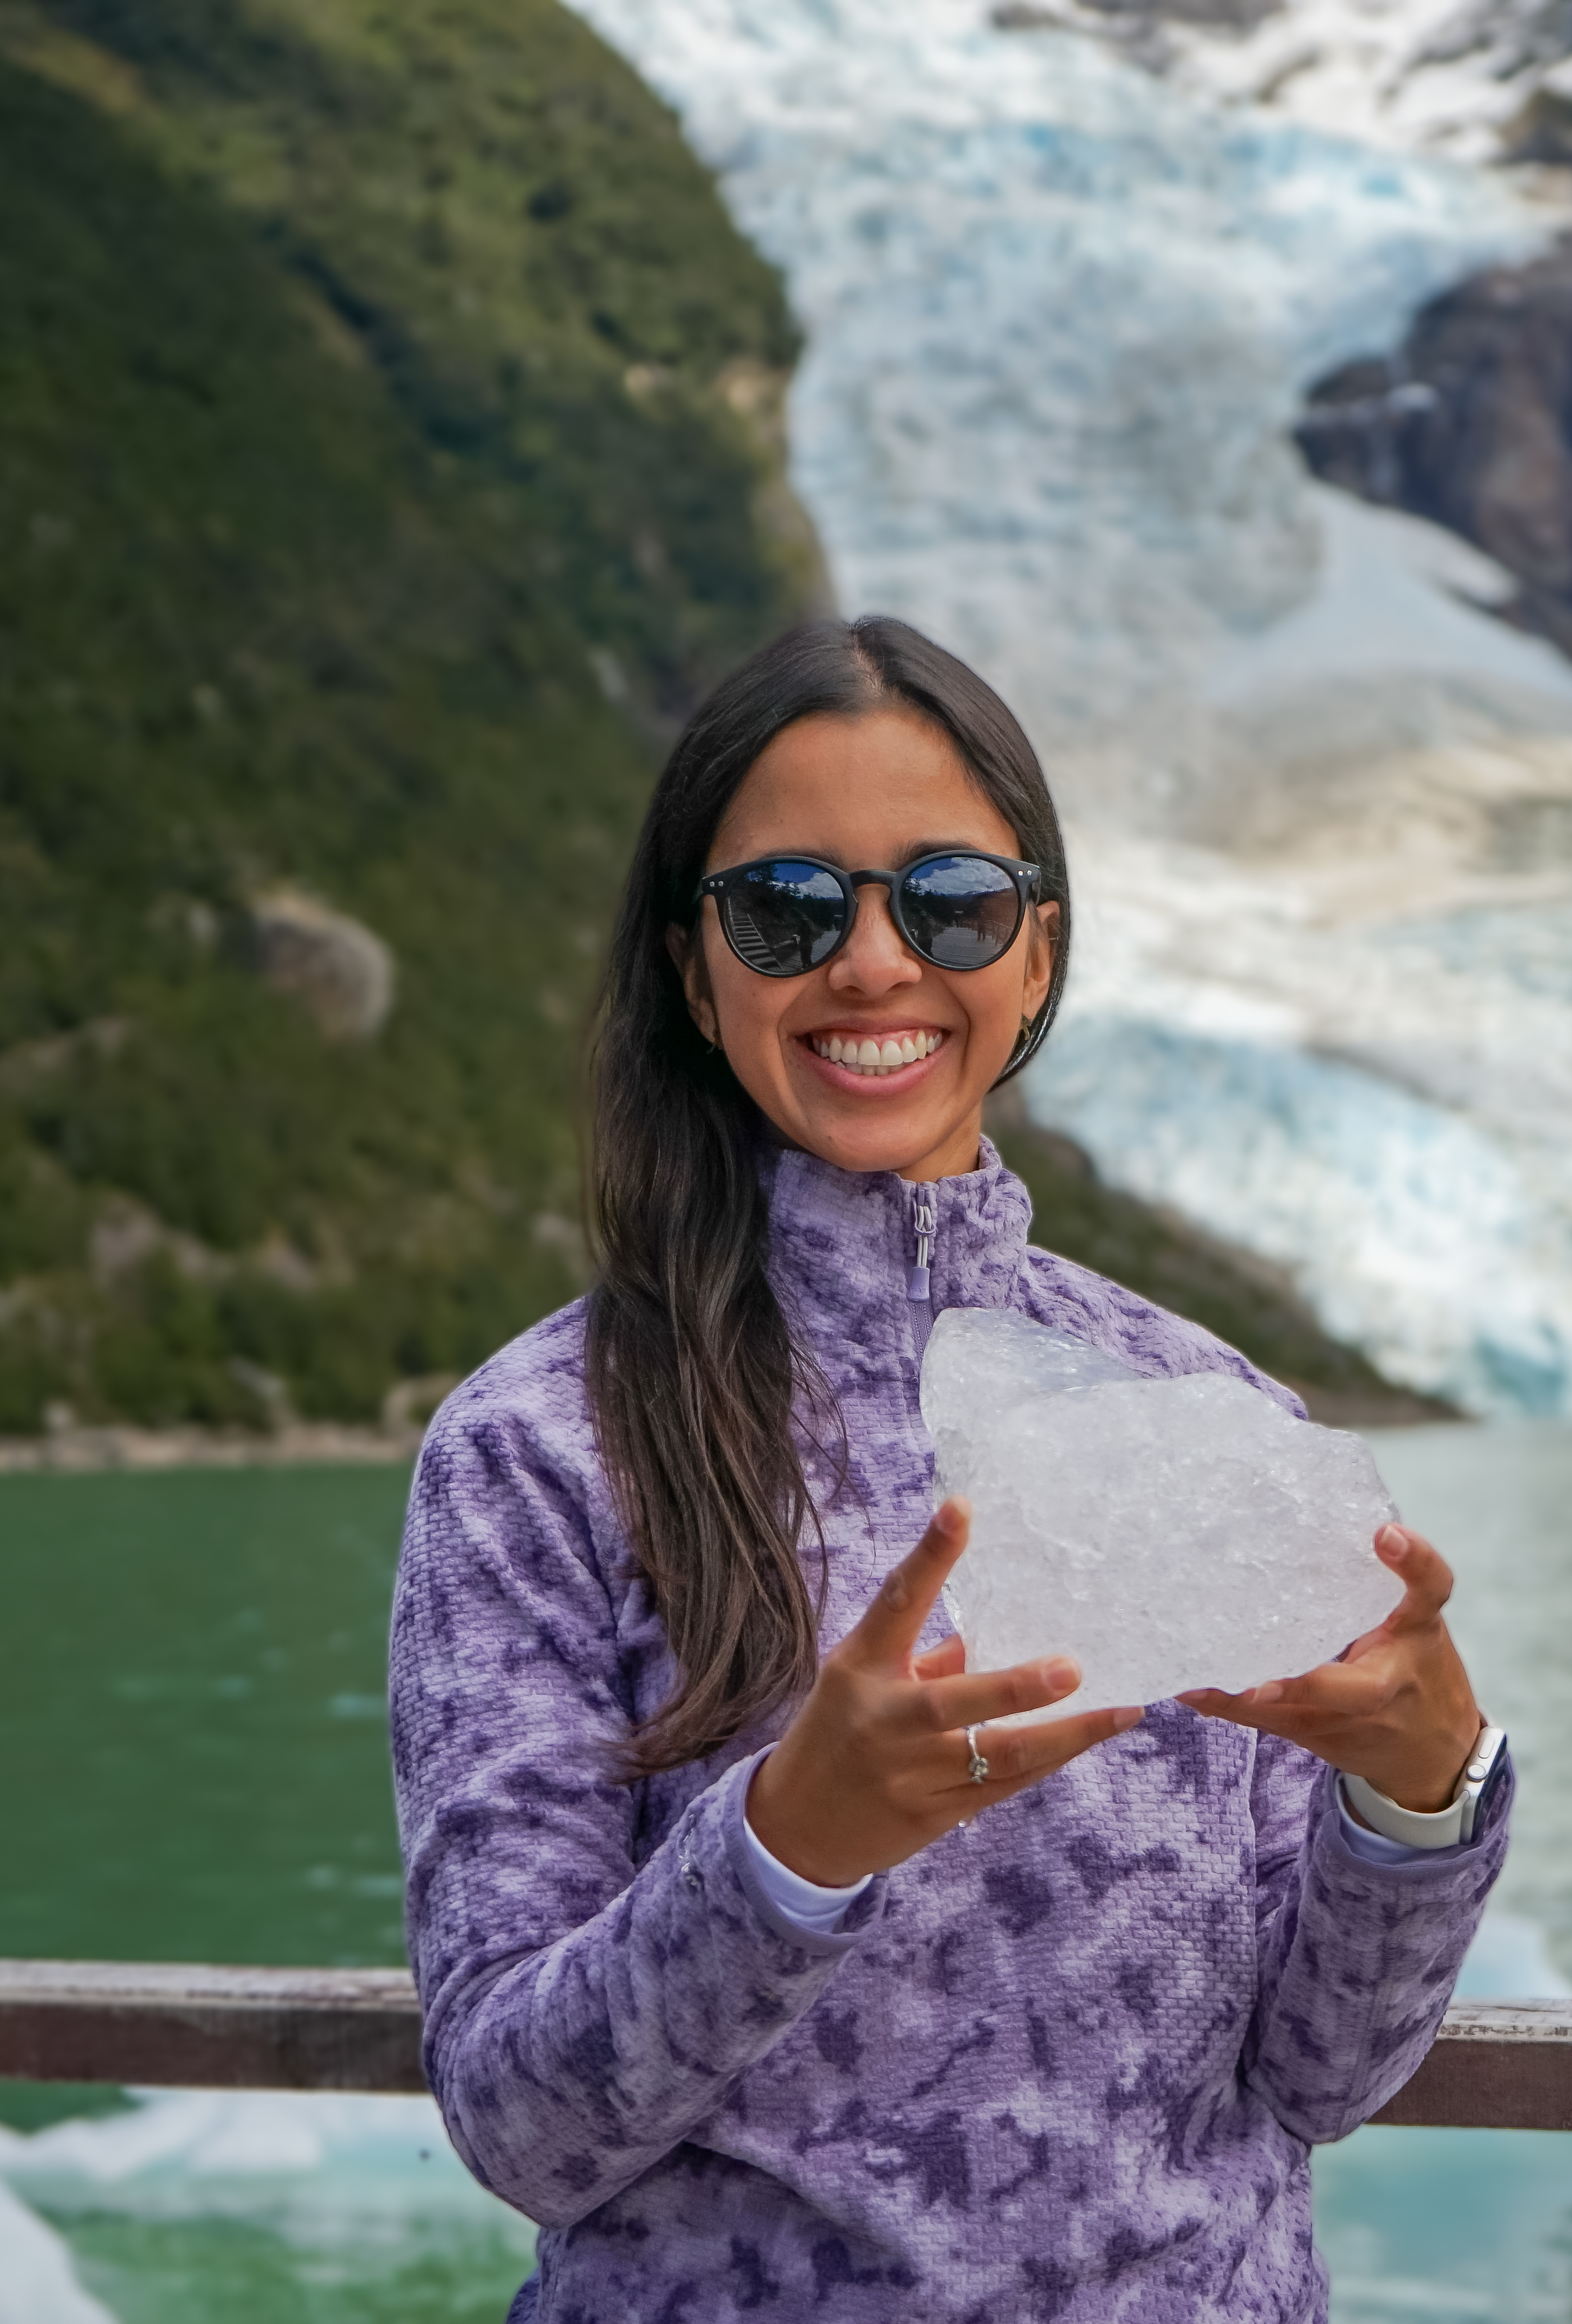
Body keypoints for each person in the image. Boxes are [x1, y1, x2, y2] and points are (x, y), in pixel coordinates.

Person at [388, 615, 1512, 2319]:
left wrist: (1416, 1803)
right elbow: (519, 2118)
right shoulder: (537, 1450)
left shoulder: (1214, 1419)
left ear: (1036, 953)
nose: (871, 962)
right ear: (698, 974)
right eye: (787, 908)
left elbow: (1319, 2078)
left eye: (949, 902)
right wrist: (789, 1845)